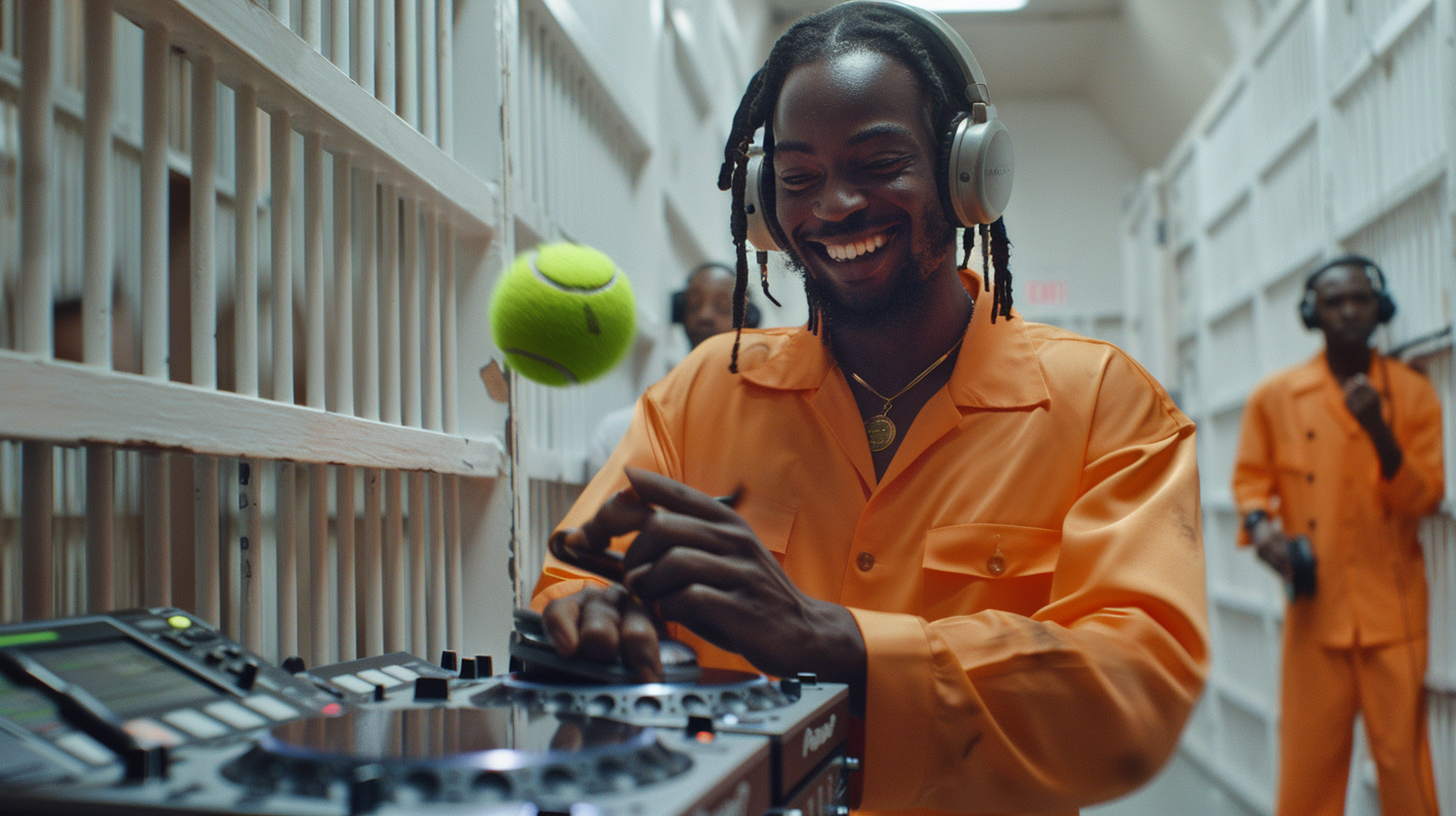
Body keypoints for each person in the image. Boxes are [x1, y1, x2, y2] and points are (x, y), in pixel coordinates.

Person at [534, 2, 1208, 813]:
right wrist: (587, 616)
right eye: (797, 177)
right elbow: (571, 579)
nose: (835, 205)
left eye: (879, 162)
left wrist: (843, 645)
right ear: (762, 202)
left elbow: (1136, 686)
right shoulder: (700, 395)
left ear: (968, 174)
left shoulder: (1105, 403)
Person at [1233, 256, 1442, 816]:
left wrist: (1379, 428)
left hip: (1393, 614)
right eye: (1333, 302)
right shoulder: (1276, 398)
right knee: (1308, 775)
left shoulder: (1413, 395)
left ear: (1381, 309)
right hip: (1315, 614)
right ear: (1311, 314)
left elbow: (1422, 499)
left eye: (1360, 299)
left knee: (1406, 772)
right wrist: (1262, 529)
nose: (1348, 311)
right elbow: (1251, 483)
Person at [585, 263, 757, 475]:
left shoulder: (771, 430)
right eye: (693, 304)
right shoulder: (616, 432)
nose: (704, 315)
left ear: (749, 319)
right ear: (679, 312)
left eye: (723, 305)